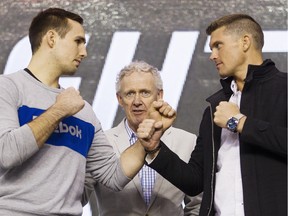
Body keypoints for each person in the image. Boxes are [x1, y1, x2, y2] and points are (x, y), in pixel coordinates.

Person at [0, 8, 175, 216]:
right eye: (78, 41)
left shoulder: (84, 111)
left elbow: (113, 175)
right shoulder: (8, 87)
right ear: (51, 38)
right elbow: (7, 153)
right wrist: (58, 111)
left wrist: (146, 141)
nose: (84, 52)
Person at [137, 14, 287, 216]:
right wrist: (155, 148)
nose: (212, 55)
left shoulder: (284, 89)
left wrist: (240, 122)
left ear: (245, 42)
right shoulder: (215, 108)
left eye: (218, 45)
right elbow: (195, 182)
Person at [82, 61, 202, 215]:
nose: (137, 101)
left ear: (159, 95)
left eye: (145, 92)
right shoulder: (100, 142)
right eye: (130, 93)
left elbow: (198, 205)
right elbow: (77, 197)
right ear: (119, 99)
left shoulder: (187, 141)